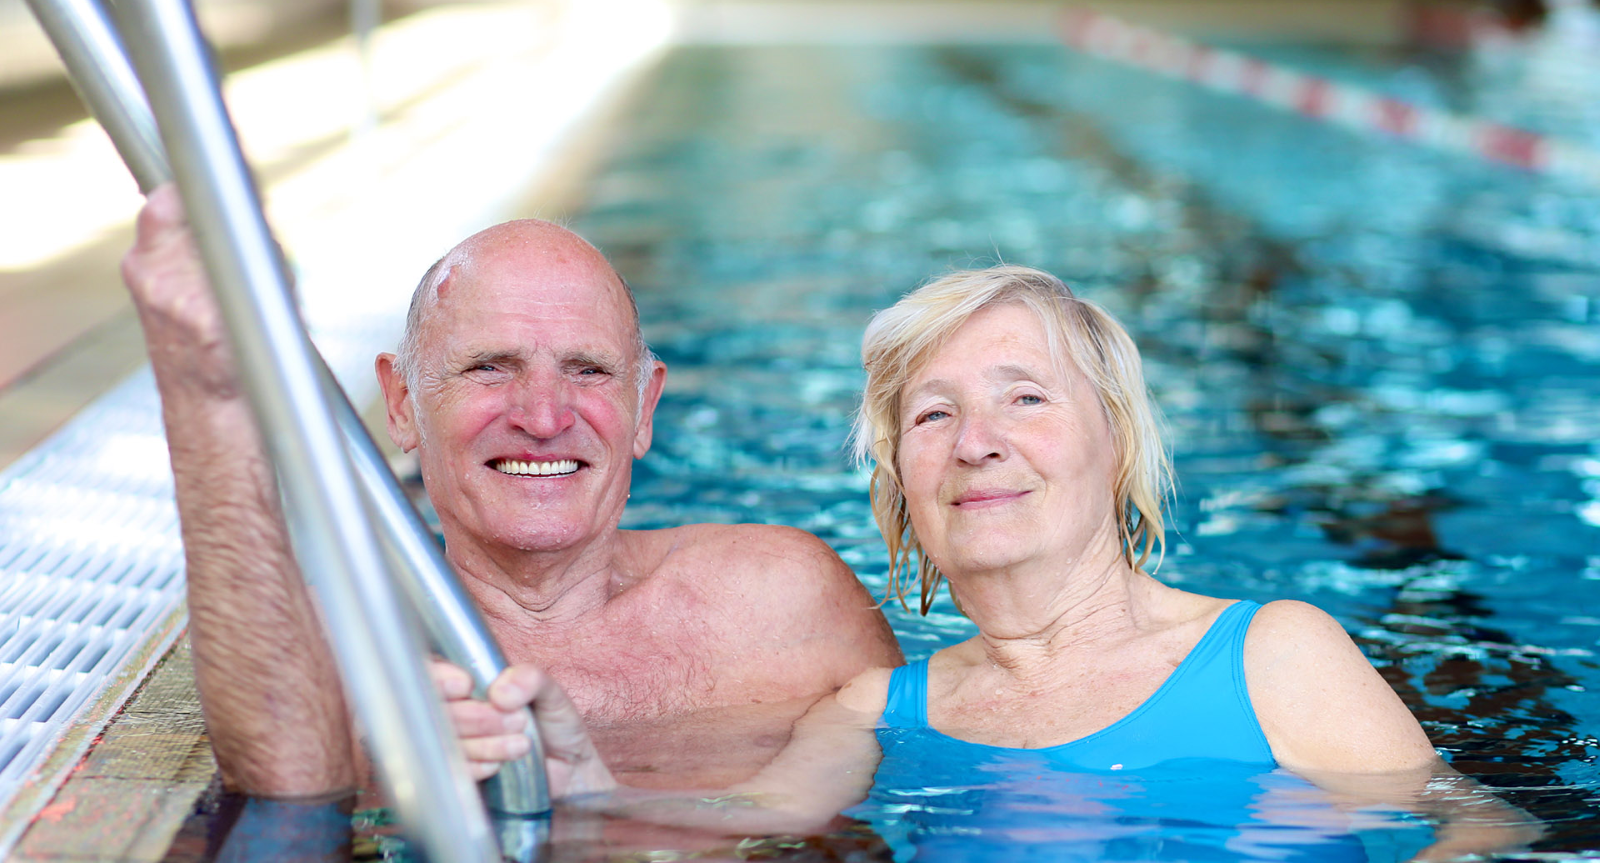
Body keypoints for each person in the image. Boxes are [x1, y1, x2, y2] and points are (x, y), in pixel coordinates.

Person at [456, 265, 1538, 859]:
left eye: (1025, 397)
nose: (978, 441)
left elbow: (1483, 829)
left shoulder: (1271, 656)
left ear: (1115, 441)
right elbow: (749, 818)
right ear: (902, 492)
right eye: (934, 415)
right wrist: (582, 785)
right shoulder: (871, 710)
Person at [119, 184, 902, 800]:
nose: (543, 416)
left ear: (644, 408)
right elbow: (282, 801)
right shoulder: (331, 649)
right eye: (489, 366)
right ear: (401, 405)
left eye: (588, 371)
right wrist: (208, 399)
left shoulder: (782, 602)